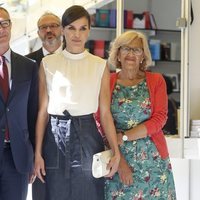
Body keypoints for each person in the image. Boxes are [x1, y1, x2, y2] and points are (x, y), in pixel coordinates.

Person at [34, 5, 120, 200]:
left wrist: (116, 151)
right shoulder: (48, 64)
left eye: (82, 28)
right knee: (55, 193)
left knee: (89, 193)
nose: (77, 34)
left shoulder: (100, 65)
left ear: (89, 30)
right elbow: (42, 112)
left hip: (88, 134)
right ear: (63, 30)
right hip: (54, 135)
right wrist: (37, 153)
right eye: (71, 28)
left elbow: (105, 113)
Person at [104, 30, 177, 199]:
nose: (131, 54)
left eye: (136, 50)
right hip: (117, 158)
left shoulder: (156, 80)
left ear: (143, 55)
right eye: (126, 49)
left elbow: (160, 119)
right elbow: (101, 121)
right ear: (118, 54)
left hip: (153, 161)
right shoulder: (107, 81)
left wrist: (123, 137)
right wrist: (120, 161)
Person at [0, 7, 38, 200]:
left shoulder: (28, 66)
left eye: (4, 23)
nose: (1, 29)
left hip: (18, 157)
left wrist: (32, 156)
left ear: (11, 26)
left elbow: (32, 114)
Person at [26, 11, 62, 200]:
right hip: (37, 143)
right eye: (43, 27)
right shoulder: (26, 63)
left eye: (54, 25)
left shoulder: (74, 58)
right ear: (38, 33)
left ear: (62, 29)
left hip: (68, 141)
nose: (49, 30)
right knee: (42, 194)